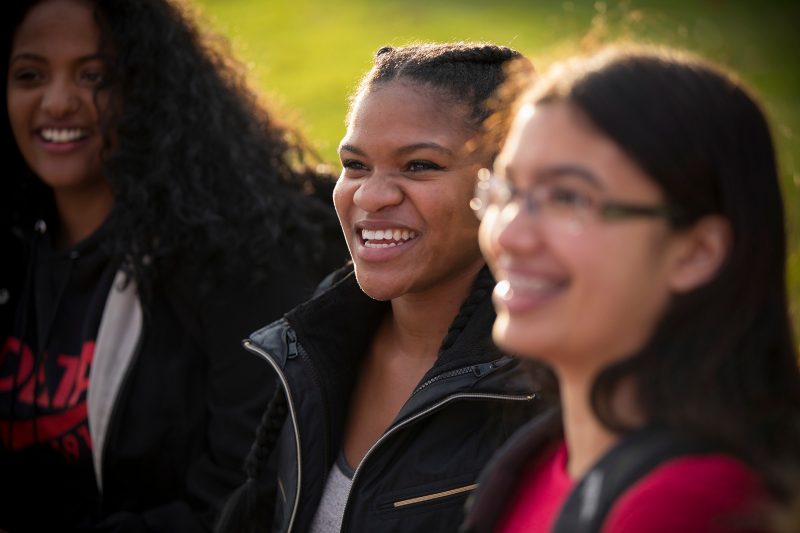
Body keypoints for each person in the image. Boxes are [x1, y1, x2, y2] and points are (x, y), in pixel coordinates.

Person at [0, 0, 346, 531]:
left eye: (95, 75)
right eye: (29, 75)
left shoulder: (236, 257)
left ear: (150, 89)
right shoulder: (18, 252)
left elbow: (245, 496)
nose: (59, 101)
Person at [463, 45, 800, 532]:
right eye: (507, 191)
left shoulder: (683, 504)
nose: (510, 235)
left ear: (696, 252)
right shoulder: (538, 463)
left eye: (568, 198)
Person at [216, 43, 547, 533]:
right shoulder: (315, 343)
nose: (371, 196)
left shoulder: (539, 386)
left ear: (503, 186)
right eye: (355, 164)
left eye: (419, 166)